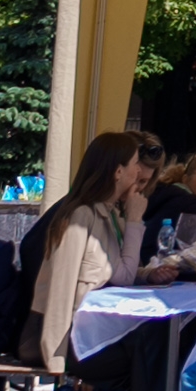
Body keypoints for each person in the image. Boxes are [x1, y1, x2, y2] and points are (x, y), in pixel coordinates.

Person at [24, 131, 155, 377]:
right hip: (70, 337)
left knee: (155, 348)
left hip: (93, 329)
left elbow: (125, 273)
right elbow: (60, 288)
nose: (139, 172)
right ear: (118, 172)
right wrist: (56, 359)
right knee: (148, 356)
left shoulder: (111, 215)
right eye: (135, 163)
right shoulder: (81, 216)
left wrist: (149, 275)